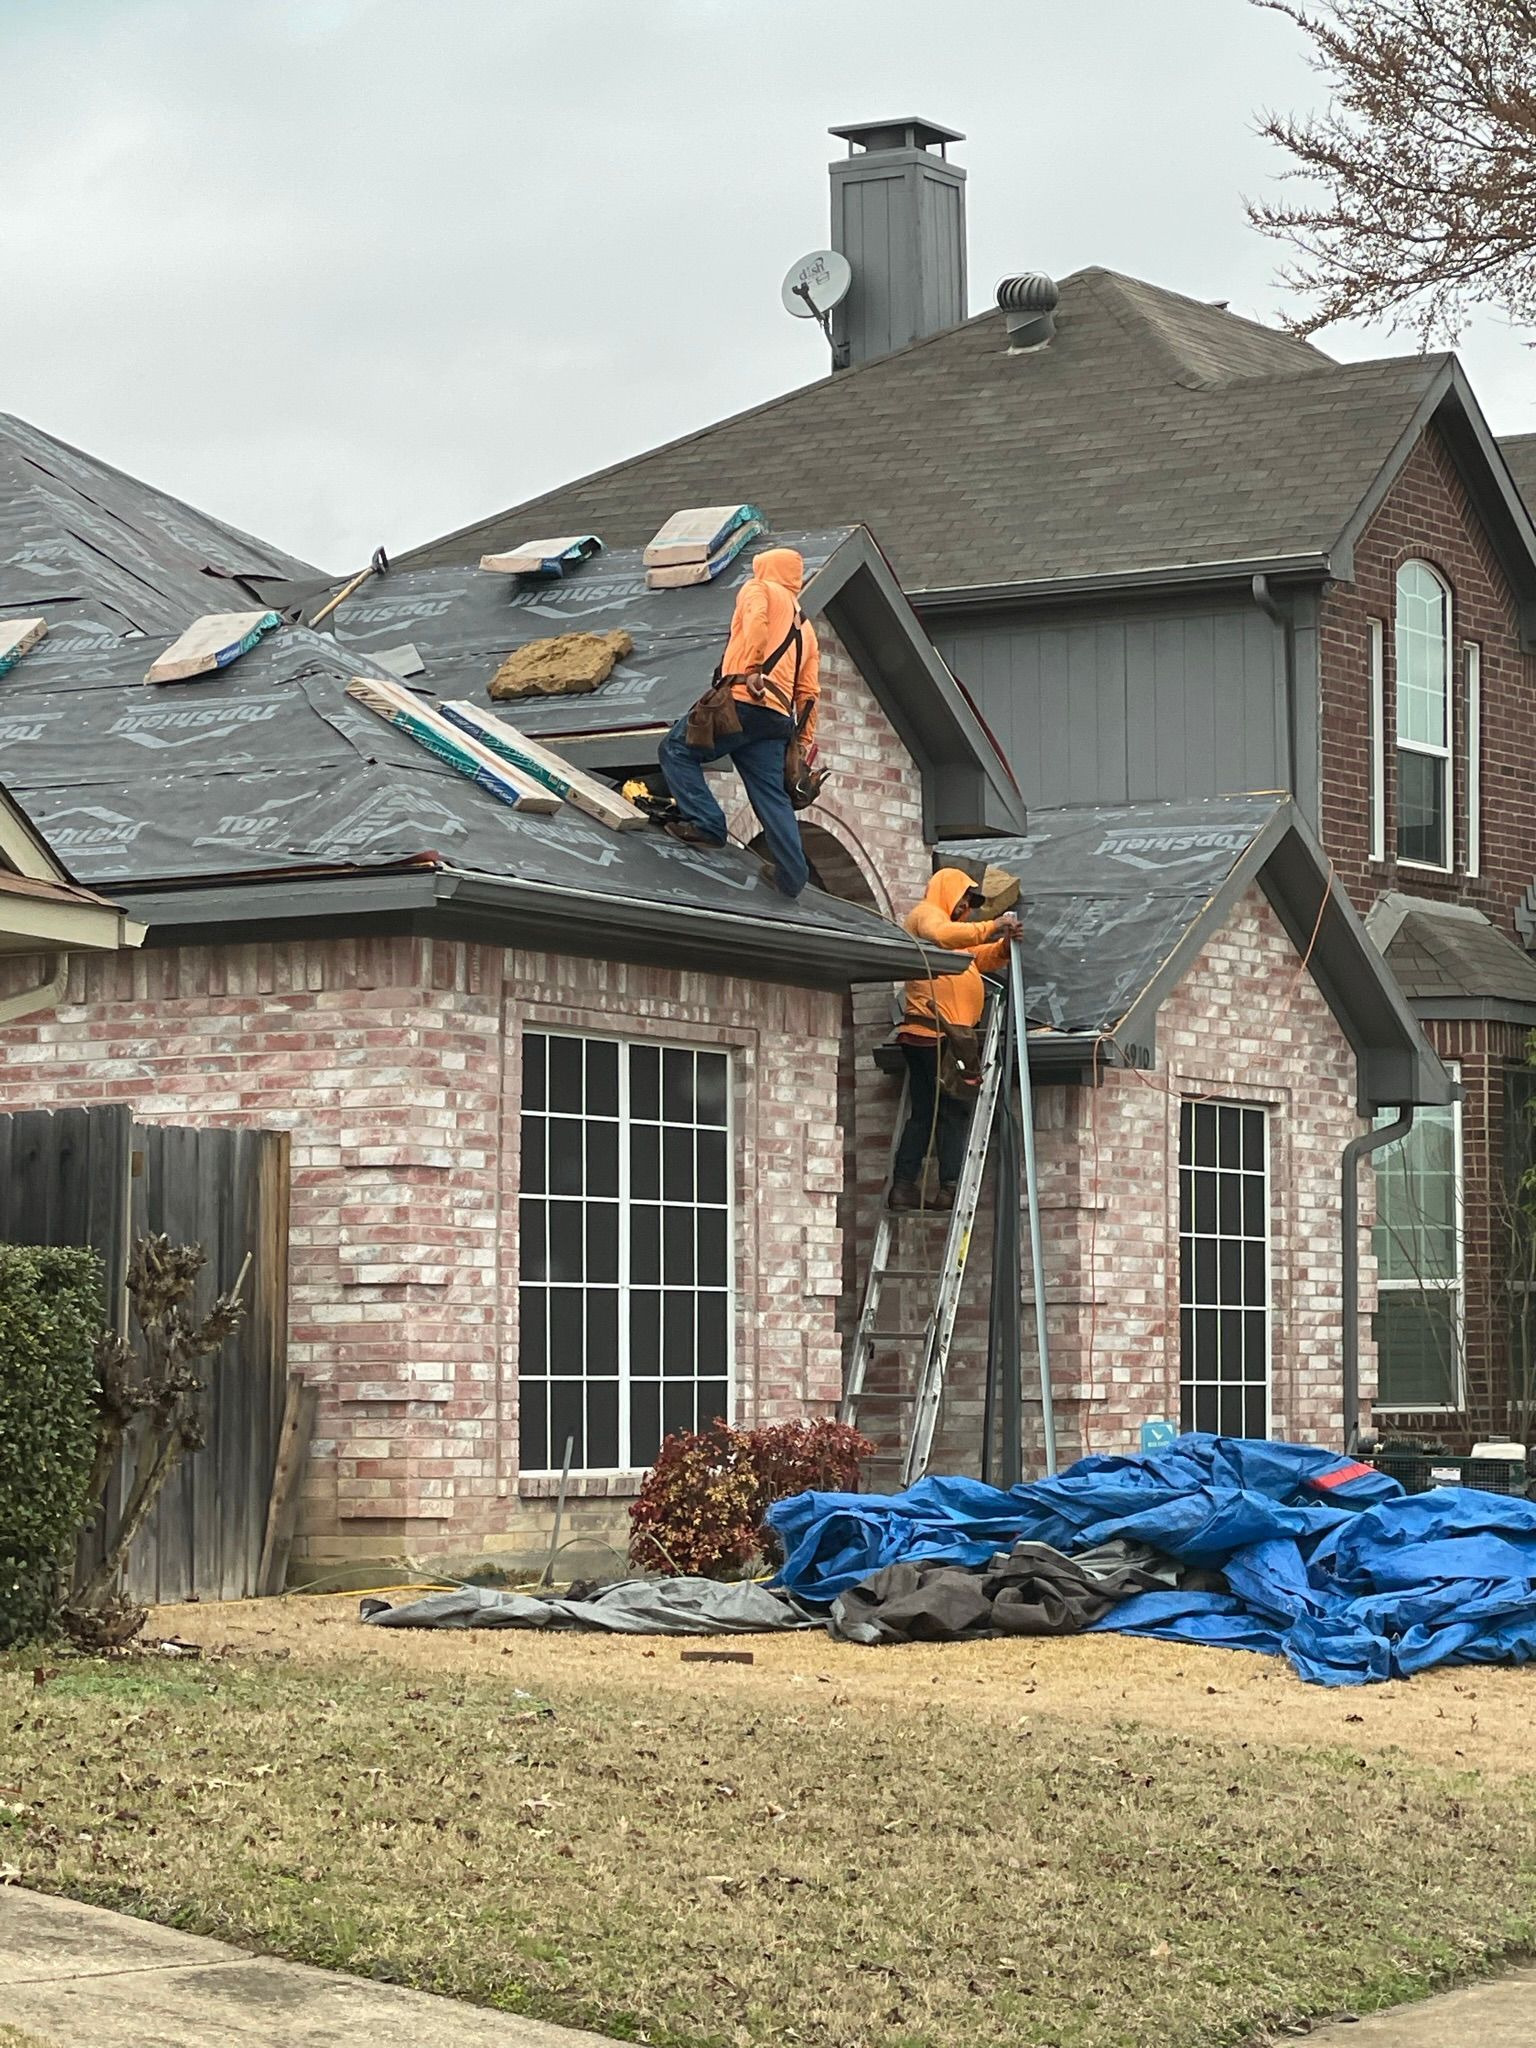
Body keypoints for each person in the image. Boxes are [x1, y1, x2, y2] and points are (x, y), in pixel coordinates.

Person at [658, 547, 819, 897]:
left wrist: (753, 669)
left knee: (676, 750)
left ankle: (707, 825)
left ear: (766, 568)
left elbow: (757, 620)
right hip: (777, 719)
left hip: (744, 699)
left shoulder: (758, 588)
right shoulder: (806, 627)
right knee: (771, 795)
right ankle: (793, 875)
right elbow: (808, 692)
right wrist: (802, 743)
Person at [891, 869, 1022, 1210]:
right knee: (950, 1111)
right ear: (950, 892)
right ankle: (946, 1187)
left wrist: (1003, 947)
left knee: (926, 1112)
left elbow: (980, 957)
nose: (966, 908)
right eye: (964, 900)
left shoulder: (954, 935)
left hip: (947, 1036)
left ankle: (905, 1187)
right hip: (935, 1035)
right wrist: (992, 925)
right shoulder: (928, 916)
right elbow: (945, 935)